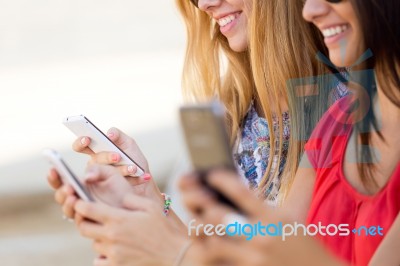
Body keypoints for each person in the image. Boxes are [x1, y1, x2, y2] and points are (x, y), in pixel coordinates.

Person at [47, 0, 342, 264]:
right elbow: (209, 250)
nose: (204, 4)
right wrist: (143, 193)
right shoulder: (225, 107)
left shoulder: (346, 105)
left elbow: (275, 256)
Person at [179, 0, 400, 265]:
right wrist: (159, 208)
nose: (205, 4)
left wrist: (175, 250)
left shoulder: (338, 99)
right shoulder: (334, 119)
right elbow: (258, 248)